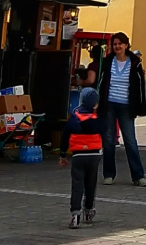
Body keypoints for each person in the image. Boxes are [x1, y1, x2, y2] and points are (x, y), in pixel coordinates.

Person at [96, 31, 146, 186]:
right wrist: (98, 101)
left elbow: (140, 86)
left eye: (120, 43)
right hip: (109, 104)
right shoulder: (107, 61)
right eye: (115, 44)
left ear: (126, 45)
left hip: (127, 105)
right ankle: (109, 174)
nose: (117, 46)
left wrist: (140, 107)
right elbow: (101, 82)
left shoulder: (135, 62)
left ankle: (138, 176)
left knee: (130, 141)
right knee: (109, 140)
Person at [59, 88, 102, 228]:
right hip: (95, 155)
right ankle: (89, 211)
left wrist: (63, 154)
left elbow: (65, 137)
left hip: (78, 156)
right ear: (95, 104)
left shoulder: (74, 118)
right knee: (91, 184)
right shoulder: (97, 119)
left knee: (77, 185)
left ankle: (75, 214)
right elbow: (107, 135)